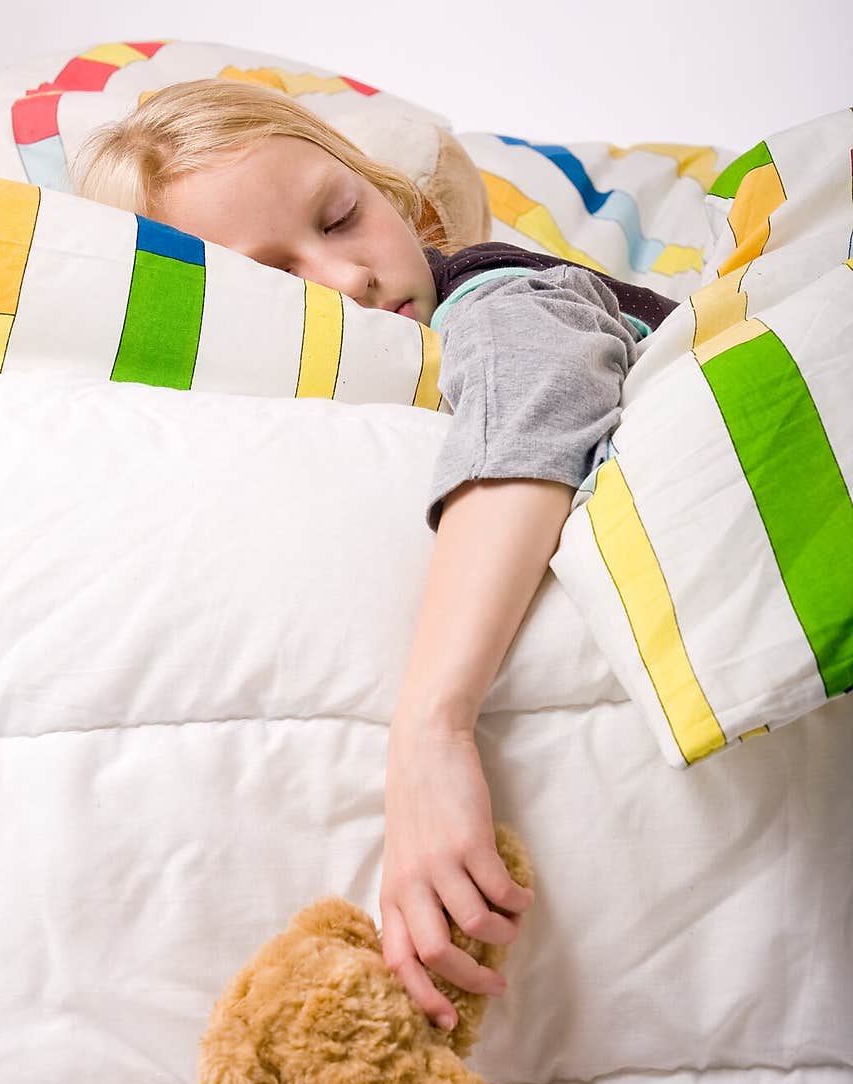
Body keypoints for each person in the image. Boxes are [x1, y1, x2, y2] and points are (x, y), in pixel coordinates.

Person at [72, 78, 678, 1034]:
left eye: (342, 216)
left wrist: (431, 728)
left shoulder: (497, 295)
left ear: (388, 193)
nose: (346, 275)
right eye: (277, 278)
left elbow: (530, 412)